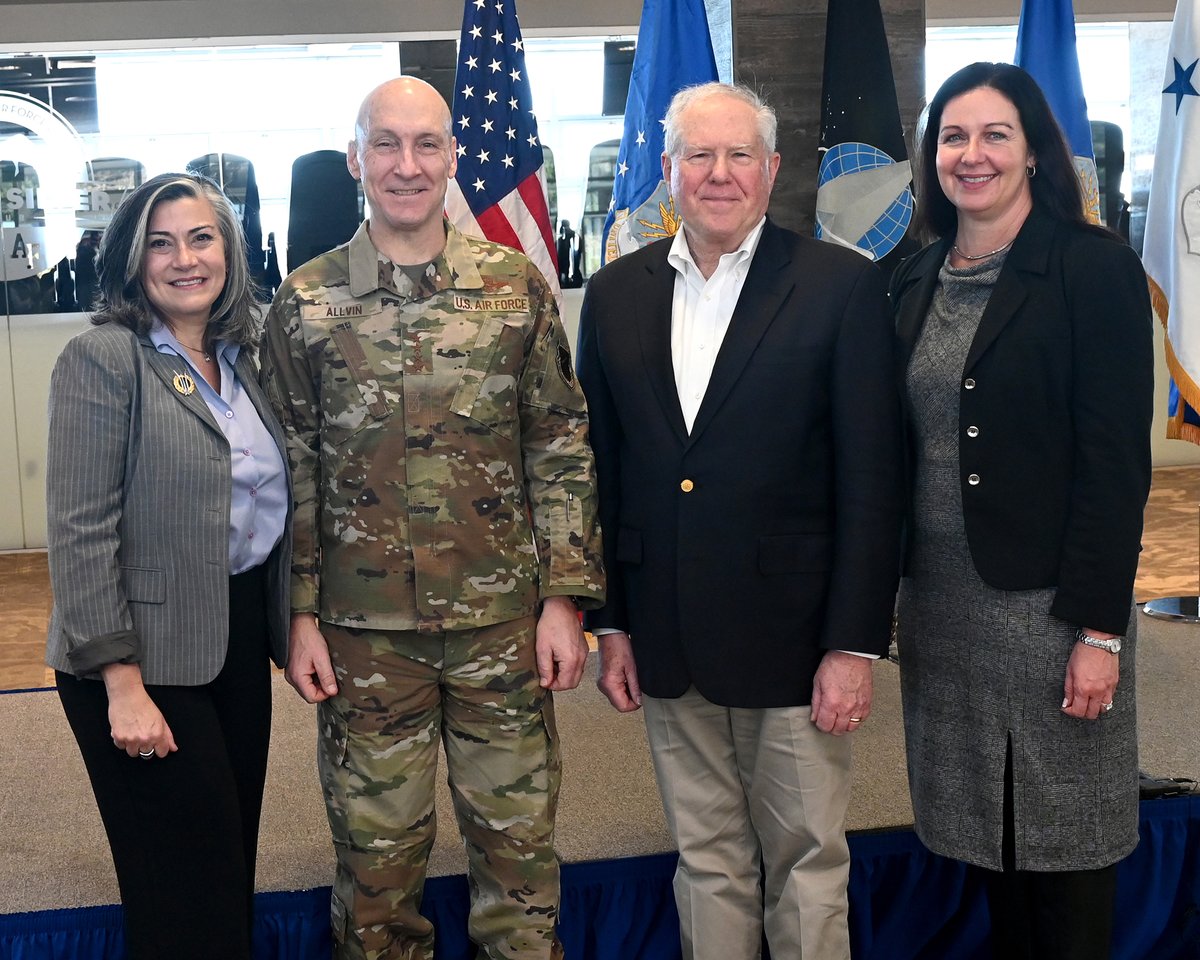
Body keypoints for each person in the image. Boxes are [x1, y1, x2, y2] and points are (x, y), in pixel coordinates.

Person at [260, 76, 604, 960]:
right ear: (355, 159)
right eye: (386, 144)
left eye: (425, 145)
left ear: (452, 157)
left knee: (519, 863)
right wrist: (294, 614)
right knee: (376, 874)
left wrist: (565, 597)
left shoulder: (511, 286)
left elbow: (559, 443)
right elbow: (286, 466)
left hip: (502, 629)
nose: (406, 165)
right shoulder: (305, 302)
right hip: (361, 636)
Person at [575, 81, 903, 960]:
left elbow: (874, 481)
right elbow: (600, 473)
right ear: (669, 170)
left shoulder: (841, 288)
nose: (719, 174)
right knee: (706, 860)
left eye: (740, 155)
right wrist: (611, 621)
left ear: (772, 169)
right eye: (699, 156)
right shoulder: (612, 296)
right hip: (666, 633)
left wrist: (853, 645)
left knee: (806, 862)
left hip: (798, 642)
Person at [890, 62, 1154, 959]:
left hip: (1052, 610)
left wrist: (1098, 631)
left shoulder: (1092, 268)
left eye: (995, 135)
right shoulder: (914, 276)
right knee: (988, 841)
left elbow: (1115, 466)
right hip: (944, 609)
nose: (972, 155)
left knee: (1066, 844)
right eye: (953, 137)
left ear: (1035, 151)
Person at [45, 171, 291, 960]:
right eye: (161, 243)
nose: (184, 259)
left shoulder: (242, 359)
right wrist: (120, 682)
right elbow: (80, 530)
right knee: (182, 891)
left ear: (228, 251)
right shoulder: (103, 359)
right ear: (131, 258)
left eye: (201, 237)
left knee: (227, 867)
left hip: (236, 638)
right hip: (139, 658)